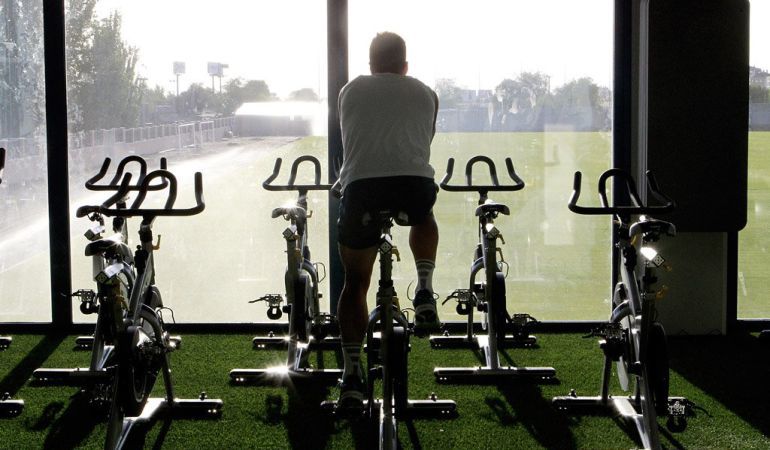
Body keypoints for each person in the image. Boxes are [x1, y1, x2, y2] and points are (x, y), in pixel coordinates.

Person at [335, 31, 440, 409]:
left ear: (371, 65)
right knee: (423, 215)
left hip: (363, 190)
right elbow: (422, 143)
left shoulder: (350, 90)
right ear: (405, 65)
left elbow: (352, 142)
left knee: (356, 282)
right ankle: (425, 288)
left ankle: (351, 373)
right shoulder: (427, 92)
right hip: (413, 184)